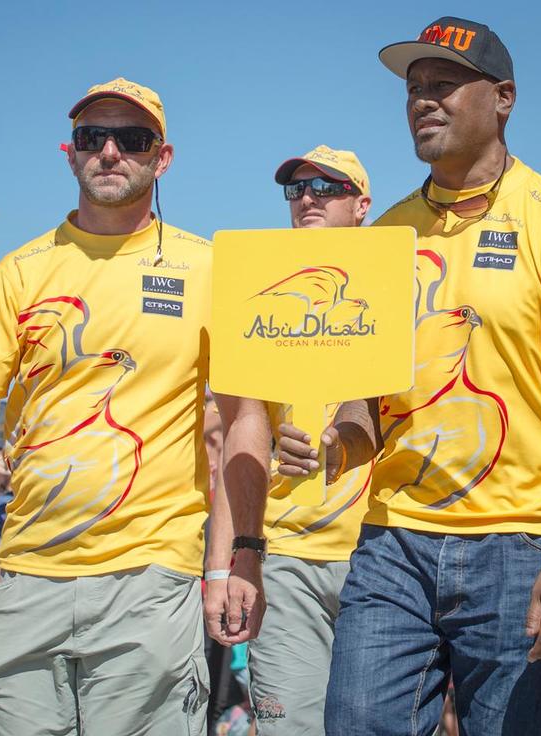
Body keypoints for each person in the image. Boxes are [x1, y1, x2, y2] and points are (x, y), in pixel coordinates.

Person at [273, 17, 541, 735]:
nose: (423, 100)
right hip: (391, 542)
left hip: (522, 544)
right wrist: (335, 444)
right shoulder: (383, 238)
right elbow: (365, 399)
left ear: (502, 98)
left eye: (444, 84)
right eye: (414, 88)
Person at [0, 77, 265, 735]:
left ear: (162, 158)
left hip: (151, 580)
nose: (109, 151)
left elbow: (246, 418)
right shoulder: (21, 270)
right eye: (92, 137)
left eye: (131, 139)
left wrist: (238, 555)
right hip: (24, 581)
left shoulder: (210, 269)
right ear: (69, 152)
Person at [204, 145, 372, 735]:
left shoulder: (403, 286)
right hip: (286, 557)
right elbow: (237, 438)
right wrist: (223, 564)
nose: (307, 197)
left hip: (380, 555)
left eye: (327, 187)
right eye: (297, 188)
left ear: (362, 205)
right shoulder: (260, 295)